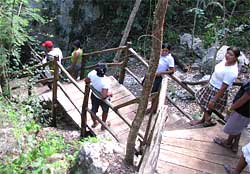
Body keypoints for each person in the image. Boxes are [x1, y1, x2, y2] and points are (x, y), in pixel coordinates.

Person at [191, 47, 240, 127]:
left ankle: (207, 119)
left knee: (206, 104)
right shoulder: (225, 60)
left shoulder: (232, 71)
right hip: (211, 85)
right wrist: (209, 81)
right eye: (227, 53)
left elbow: (224, 87)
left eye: (231, 55)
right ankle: (205, 119)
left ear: (236, 57)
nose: (227, 56)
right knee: (203, 102)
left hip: (218, 90)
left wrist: (214, 100)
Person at [213, 80, 250, 153]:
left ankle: (228, 142)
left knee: (234, 126)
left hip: (242, 110)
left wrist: (231, 108)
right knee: (239, 126)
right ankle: (235, 144)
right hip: (246, 112)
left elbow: (244, 99)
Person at [146, 43, 175, 113]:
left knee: (154, 93)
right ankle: (149, 107)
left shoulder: (169, 58)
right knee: (147, 90)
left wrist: (161, 73)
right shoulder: (158, 54)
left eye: (166, 51)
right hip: (151, 74)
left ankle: (153, 109)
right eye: (163, 50)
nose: (164, 52)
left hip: (158, 77)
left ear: (169, 52)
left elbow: (172, 70)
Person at [85, 63, 112, 130]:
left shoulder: (92, 73)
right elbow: (103, 96)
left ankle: (95, 122)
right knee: (105, 111)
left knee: (93, 111)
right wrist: (110, 93)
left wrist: (93, 84)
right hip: (104, 100)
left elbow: (86, 81)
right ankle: (103, 125)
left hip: (94, 96)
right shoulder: (106, 81)